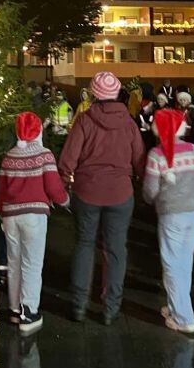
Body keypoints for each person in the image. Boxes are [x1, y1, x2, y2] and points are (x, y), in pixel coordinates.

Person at [60, 72, 145, 324]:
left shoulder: (85, 120)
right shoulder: (129, 123)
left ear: (95, 93)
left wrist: (65, 183)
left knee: (85, 244)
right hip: (120, 193)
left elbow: (68, 159)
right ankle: (110, 308)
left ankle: (79, 305)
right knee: (116, 249)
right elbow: (140, 159)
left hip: (87, 191)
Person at [143, 109, 194, 334]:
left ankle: (184, 318)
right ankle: (176, 307)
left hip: (171, 215)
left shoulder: (157, 154)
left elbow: (150, 190)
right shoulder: (193, 150)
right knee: (184, 263)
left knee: (172, 265)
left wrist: (153, 199)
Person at [0, 112, 70, 333]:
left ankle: (14, 309)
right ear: (38, 130)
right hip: (34, 217)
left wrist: (1, 213)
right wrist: (66, 201)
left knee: (14, 261)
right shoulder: (44, 155)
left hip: (10, 216)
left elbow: (1, 191)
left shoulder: (9, 156)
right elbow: (54, 188)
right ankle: (29, 312)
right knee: (32, 264)